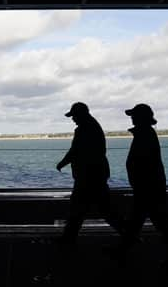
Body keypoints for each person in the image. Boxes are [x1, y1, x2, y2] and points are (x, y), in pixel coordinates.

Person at [122, 103, 168, 270]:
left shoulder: (144, 135)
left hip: (147, 187)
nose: (132, 118)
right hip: (149, 186)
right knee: (143, 220)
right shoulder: (145, 133)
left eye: (134, 115)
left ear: (141, 118)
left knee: (159, 221)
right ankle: (123, 250)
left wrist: (138, 181)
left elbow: (143, 163)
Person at [56, 102, 123, 244]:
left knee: (78, 210)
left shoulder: (83, 129)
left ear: (81, 114)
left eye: (74, 116)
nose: (73, 119)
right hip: (97, 174)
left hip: (87, 176)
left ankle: (67, 240)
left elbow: (75, 150)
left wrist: (62, 163)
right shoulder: (94, 126)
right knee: (103, 210)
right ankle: (129, 235)